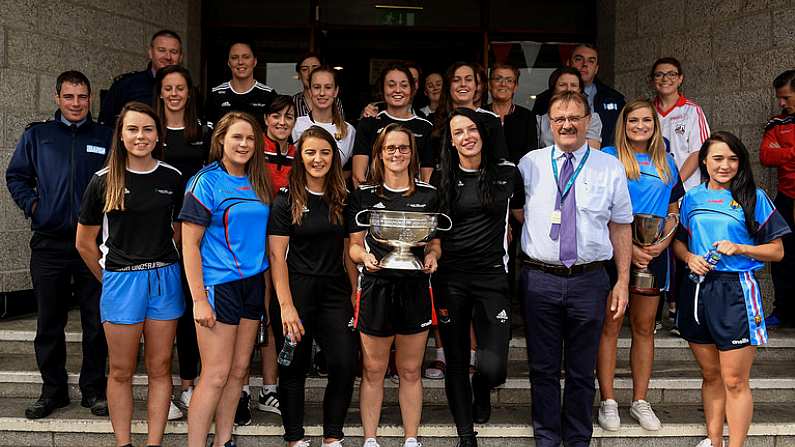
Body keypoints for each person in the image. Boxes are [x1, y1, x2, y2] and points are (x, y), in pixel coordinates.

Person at [517, 90, 632, 447]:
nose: (566, 125)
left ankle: (578, 439)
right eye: (559, 119)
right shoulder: (529, 164)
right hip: (539, 279)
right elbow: (516, 215)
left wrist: (623, 281)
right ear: (549, 124)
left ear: (588, 122)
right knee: (543, 369)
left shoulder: (608, 166)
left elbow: (621, 225)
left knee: (583, 371)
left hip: (589, 280)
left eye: (574, 118)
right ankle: (548, 438)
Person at [75, 102, 184, 447]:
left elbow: (178, 231)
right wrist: (110, 279)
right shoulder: (103, 180)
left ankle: (154, 443)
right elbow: (84, 243)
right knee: (121, 370)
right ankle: (123, 443)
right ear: (120, 136)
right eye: (133, 129)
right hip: (121, 280)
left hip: (164, 279)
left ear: (158, 135)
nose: (141, 136)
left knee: (161, 367)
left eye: (148, 129)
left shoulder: (172, 177)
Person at [6, 70, 112, 419]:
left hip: (93, 244)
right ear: (57, 98)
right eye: (69, 97)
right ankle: (52, 392)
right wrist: (35, 206)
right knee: (49, 321)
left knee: (96, 320)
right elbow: (16, 176)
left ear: (90, 98)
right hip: (49, 244)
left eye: (82, 97)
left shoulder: (105, 136)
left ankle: (94, 390)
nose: (76, 103)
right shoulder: (39, 135)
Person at [673, 131, 790, 447]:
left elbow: (777, 251)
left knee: (735, 380)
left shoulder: (755, 197)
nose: (725, 165)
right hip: (697, 291)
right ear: (705, 161)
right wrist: (689, 258)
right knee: (711, 377)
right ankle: (714, 441)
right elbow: (680, 242)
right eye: (718, 158)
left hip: (736, 292)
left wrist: (741, 249)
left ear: (741, 161)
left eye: (732, 158)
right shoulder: (692, 198)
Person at [180, 112, 273, 447]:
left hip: (253, 285)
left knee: (238, 371)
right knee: (215, 374)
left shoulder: (259, 181)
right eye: (237, 137)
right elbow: (189, 244)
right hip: (218, 286)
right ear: (221, 140)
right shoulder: (205, 181)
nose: (244, 144)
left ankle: (223, 440)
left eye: (250, 138)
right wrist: (199, 299)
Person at [347, 123, 442, 447]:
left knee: (411, 370)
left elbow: (435, 242)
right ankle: (371, 440)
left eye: (403, 148)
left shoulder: (428, 194)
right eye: (391, 148)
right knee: (373, 370)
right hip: (376, 286)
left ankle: (411, 439)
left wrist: (432, 255)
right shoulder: (363, 195)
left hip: (414, 286)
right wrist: (364, 257)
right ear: (379, 153)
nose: (397, 154)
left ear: (412, 153)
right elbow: (353, 246)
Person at [435, 108, 523, 446]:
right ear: (452, 142)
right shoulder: (442, 177)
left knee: (494, 366)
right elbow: (434, 234)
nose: (466, 137)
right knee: (456, 360)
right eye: (458, 133)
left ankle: (482, 388)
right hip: (451, 280)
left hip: (492, 278)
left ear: (482, 134)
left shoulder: (507, 173)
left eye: (471, 129)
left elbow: (524, 216)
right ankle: (465, 435)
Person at [596, 99, 684, 432]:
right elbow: (597, 206)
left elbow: (674, 204)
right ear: (624, 123)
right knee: (611, 326)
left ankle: (640, 400)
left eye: (646, 120)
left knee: (645, 328)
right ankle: (608, 401)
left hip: (654, 253)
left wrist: (664, 239)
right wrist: (628, 246)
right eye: (633, 120)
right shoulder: (608, 155)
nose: (640, 126)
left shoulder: (667, 161)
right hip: (614, 251)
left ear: (654, 124)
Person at [269, 126, 359, 447]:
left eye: (324, 152)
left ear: (334, 156)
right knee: (293, 365)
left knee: (345, 362)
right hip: (296, 291)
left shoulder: (344, 198)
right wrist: (286, 306)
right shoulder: (285, 199)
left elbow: (350, 252)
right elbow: (277, 257)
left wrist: (354, 292)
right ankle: (294, 438)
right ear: (300, 156)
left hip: (335, 293)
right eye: (310, 152)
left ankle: (333, 436)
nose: (317, 158)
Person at [153, 64, 211, 420]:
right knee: (163, 313)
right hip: (156, 232)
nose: (175, 94)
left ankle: (189, 386)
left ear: (189, 93)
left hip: (194, 231)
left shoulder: (202, 132)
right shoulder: (150, 130)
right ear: (160, 92)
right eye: (168, 88)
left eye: (181, 88)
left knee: (191, 310)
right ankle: (167, 388)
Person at [651, 57, 711, 329]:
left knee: (684, 250)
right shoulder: (648, 111)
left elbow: (699, 152)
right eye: (660, 75)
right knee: (657, 248)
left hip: (686, 192)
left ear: (681, 78)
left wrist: (674, 180)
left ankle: (683, 311)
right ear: (653, 80)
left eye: (671, 74)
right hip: (656, 193)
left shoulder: (691, 111)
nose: (665, 79)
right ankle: (659, 309)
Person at [352, 63, 434, 186]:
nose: (397, 90)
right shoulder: (369, 122)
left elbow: (426, 176)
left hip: (413, 199)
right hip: (375, 199)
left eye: (404, 85)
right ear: (383, 88)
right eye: (391, 85)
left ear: (412, 89)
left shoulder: (425, 126)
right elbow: (358, 175)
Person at [532, 44, 625, 147]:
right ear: (568, 63)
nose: (585, 64)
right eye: (579, 59)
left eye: (591, 61)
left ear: (596, 68)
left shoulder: (614, 98)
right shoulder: (544, 100)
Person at [759, 69, 795, 328]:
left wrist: (784, 151)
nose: (781, 103)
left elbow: (777, 154)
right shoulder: (777, 122)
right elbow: (766, 156)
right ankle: (783, 312)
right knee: (782, 257)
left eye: (785, 97)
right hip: (785, 197)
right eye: (779, 98)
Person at [99, 30, 182, 127]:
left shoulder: (189, 91)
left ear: (180, 57)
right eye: (161, 50)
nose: (168, 57)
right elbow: (105, 128)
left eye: (174, 52)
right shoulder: (126, 84)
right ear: (150, 53)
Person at [292, 66, 355, 166]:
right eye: (316, 87)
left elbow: (349, 171)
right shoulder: (295, 125)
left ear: (335, 91)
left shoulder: (349, 131)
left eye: (328, 87)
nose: (322, 93)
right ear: (310, 91)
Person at [206, 40, 277, 128]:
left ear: (254, 61)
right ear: (229, 62)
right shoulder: (216, 94)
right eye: (234, 57)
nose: (240, 62)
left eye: (246, 57)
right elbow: (209, 132)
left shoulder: (268, 95)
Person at [483, 63, 539, 163]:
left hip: (518, 175)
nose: (503, 84)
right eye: (498, 79)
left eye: (509, 80)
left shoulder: (527, 117)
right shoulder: (479, 115)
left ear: (515, 86)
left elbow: (532, 154)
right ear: (489, 84)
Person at [537, 67, 602, 150]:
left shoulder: (591, 119)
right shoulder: (541, 120)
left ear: (580, 90)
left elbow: (592, 152)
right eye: (562, 85)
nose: (568, 89)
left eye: (574, 85)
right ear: (553, 89)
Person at [292, 52, 345, 119]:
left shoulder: (334, 101)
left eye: (315, 68)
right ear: (299, 74)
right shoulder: (292, 102)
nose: (310, 73)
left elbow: (341, 126)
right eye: (304, 69)